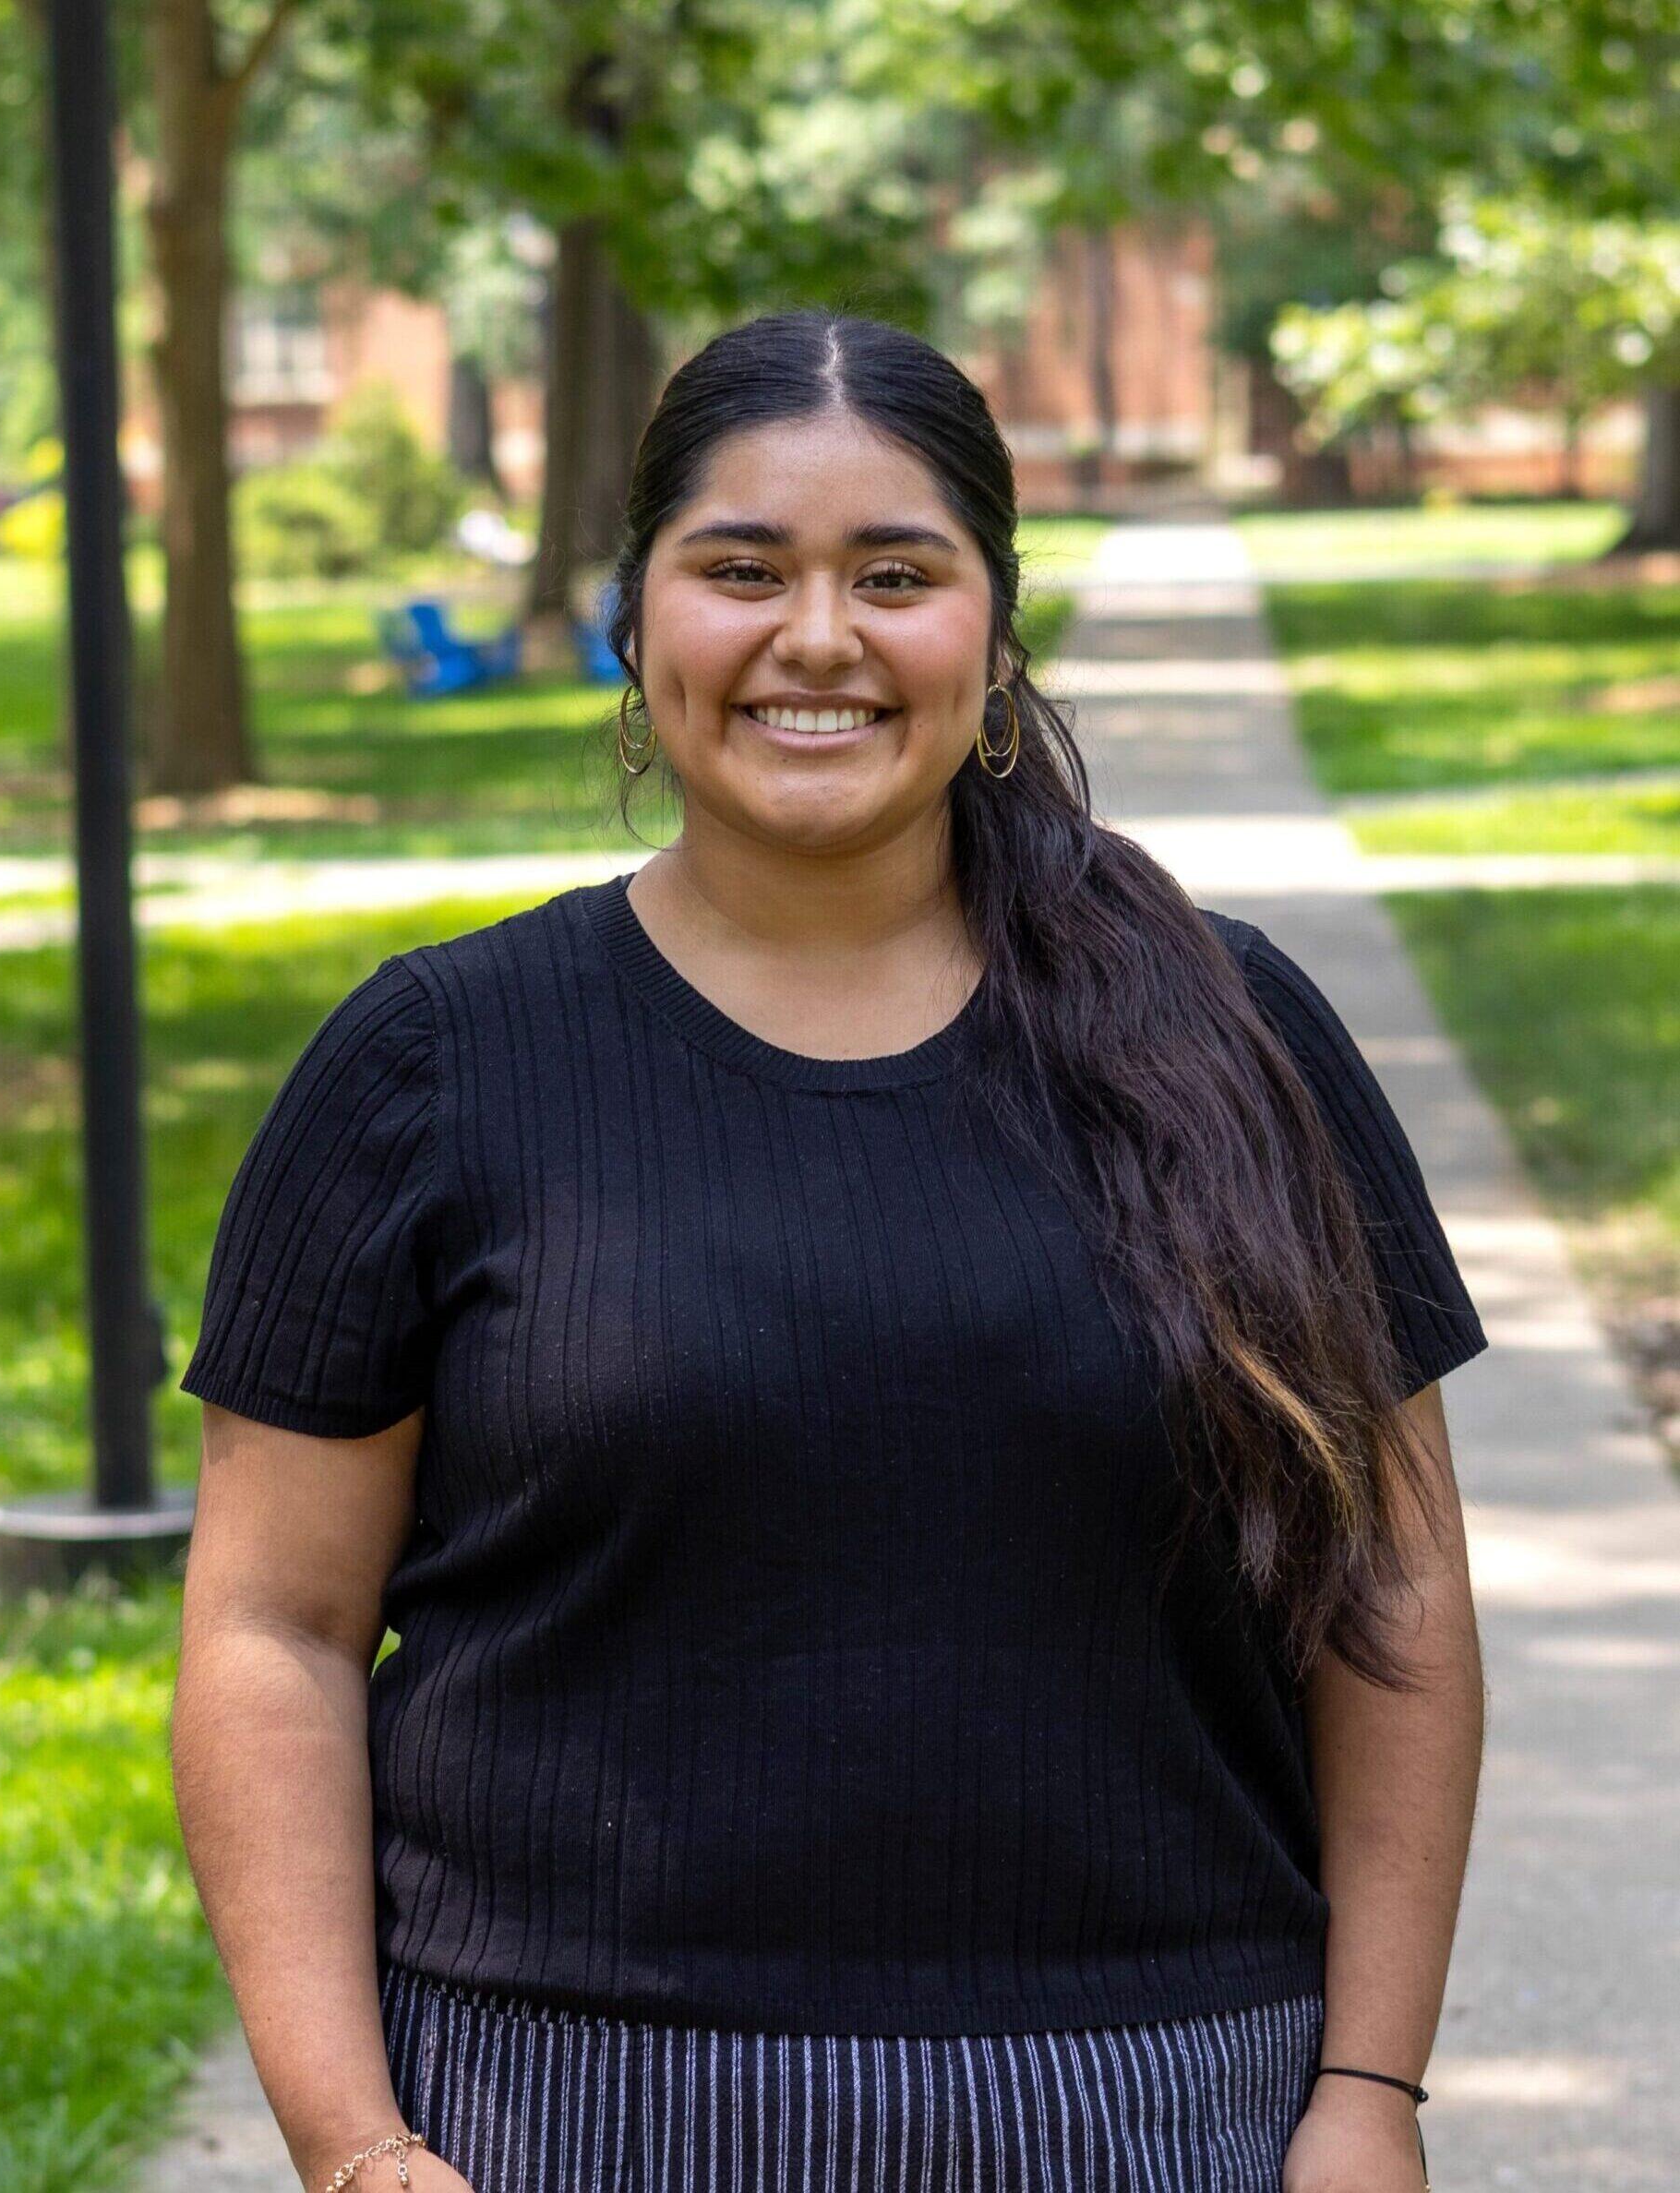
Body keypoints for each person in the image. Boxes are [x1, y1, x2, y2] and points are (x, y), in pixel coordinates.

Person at [171, 309, 1487, 2193]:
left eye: (894, 574)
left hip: (1159, 2115)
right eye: (740, 569)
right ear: (638, 621)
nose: (815, 637)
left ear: (990, 629)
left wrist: (1366, 2093)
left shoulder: (1234, 1036)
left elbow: (1395, 1598)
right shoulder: (426, 1068)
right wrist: (353, 2144)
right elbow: (268, 1633)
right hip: (557, 2122)